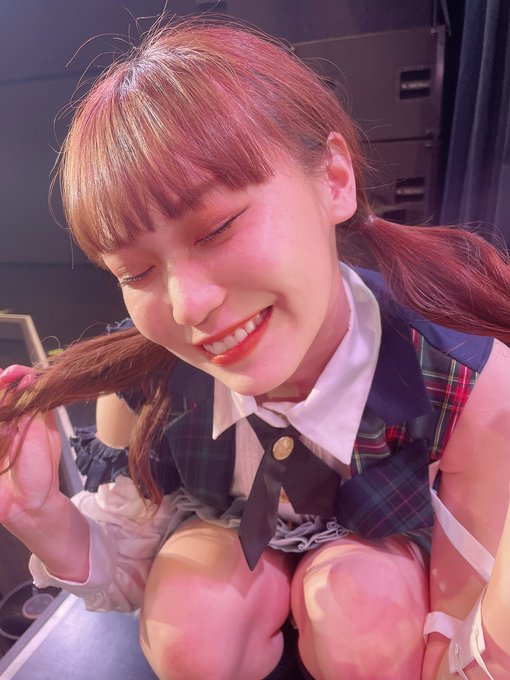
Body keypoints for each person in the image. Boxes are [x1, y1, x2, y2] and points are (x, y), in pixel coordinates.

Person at [1, 17, 510, 680]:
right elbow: (136, 564)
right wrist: (39, 514)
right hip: (226, 544)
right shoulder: (146, 380)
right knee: (192, 630)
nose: (188, 306)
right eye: (137, 271)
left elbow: (461, 635)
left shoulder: (462, 379)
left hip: (385, 561)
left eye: (216, 228)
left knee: (362, 618)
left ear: (334, 179)